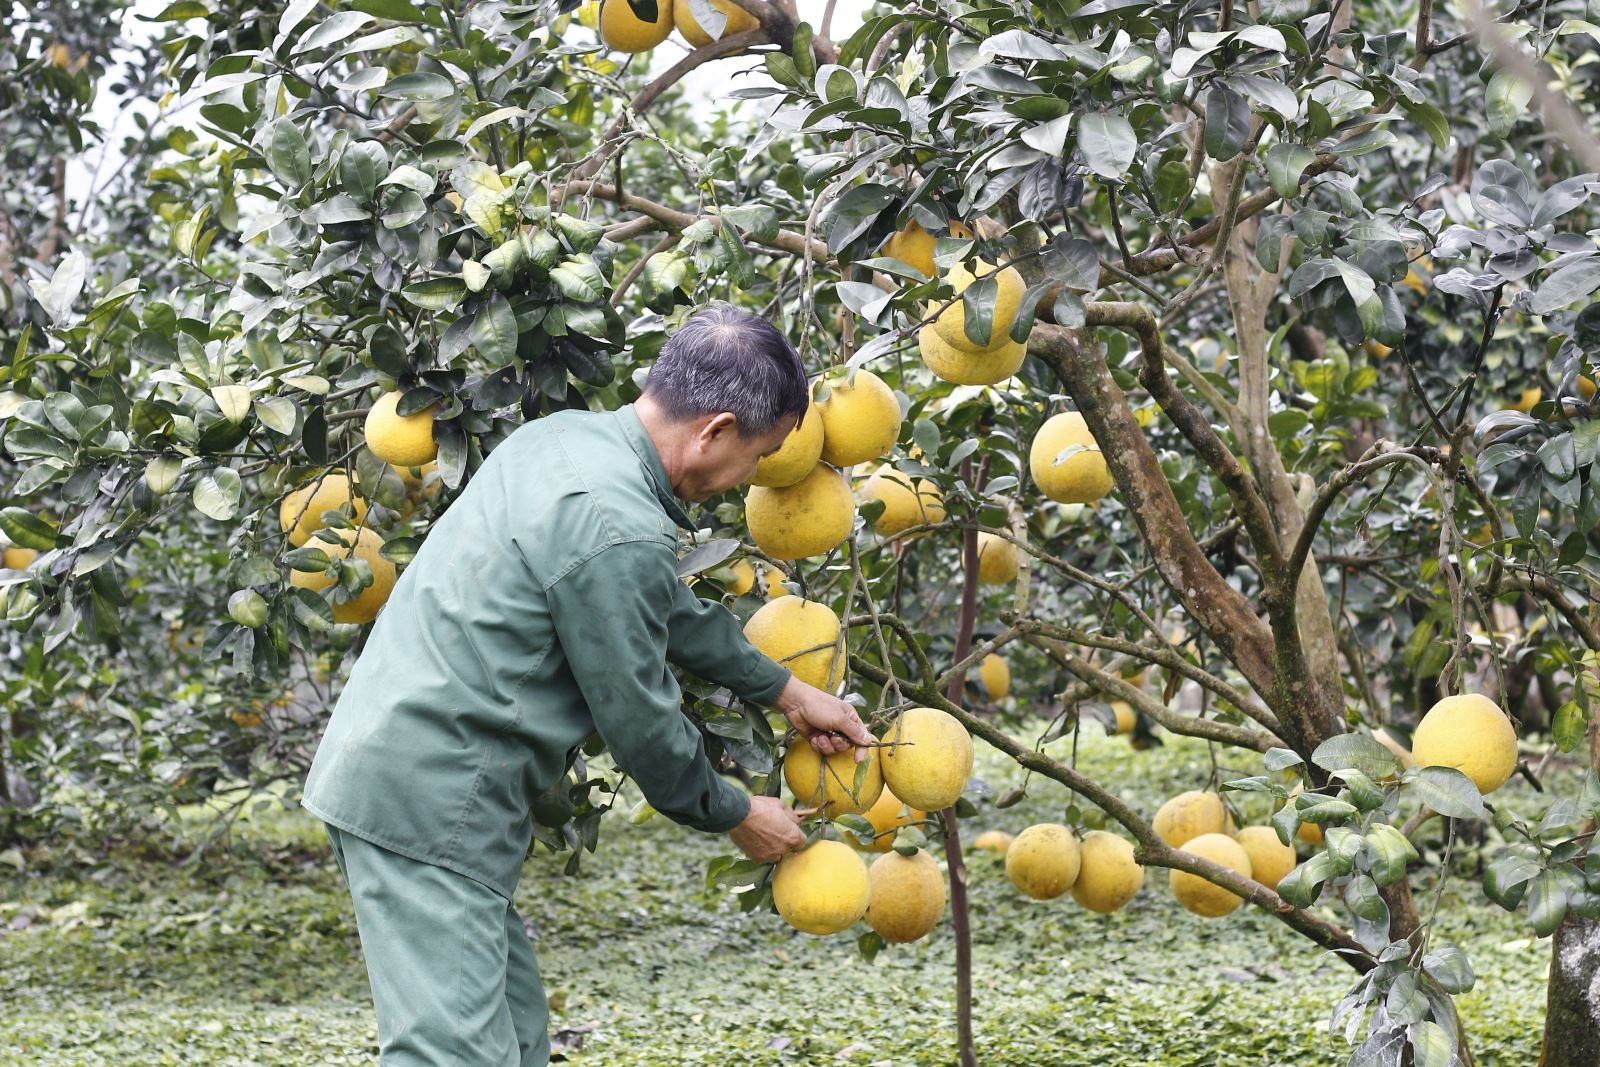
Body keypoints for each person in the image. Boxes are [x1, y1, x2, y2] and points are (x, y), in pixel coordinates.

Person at [300, 305, 873, 1066]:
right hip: (431, 794)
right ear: (716, 430)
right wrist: (734, 810)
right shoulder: (618, 525)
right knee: (452, 1054)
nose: (750, 480)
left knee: (516, 1039)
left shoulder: (565, 441)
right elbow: (640, 718)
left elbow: (662, 607)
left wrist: (785, 691)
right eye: (759, 457)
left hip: (419, 774)